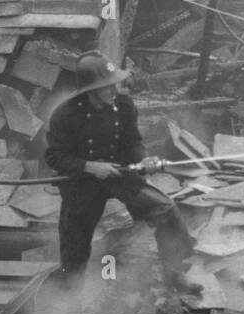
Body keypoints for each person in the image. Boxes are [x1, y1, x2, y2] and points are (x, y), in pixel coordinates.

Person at [44, 52, 194, 290]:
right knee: (74, 247)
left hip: (118, 174)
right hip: (82, 182)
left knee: (165, 209)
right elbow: (54, 156)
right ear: (90, 90)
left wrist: (145, 160)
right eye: (107, 87)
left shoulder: (124, 106)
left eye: (115, 84)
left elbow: (131, 143)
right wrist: (90, 167)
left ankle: (174, 274)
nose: (114, 90)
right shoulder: (65, 115)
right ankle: (68, 296)